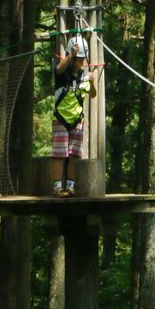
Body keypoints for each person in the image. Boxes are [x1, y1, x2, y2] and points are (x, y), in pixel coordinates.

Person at [51, 31, 96, 197]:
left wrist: (91, 83)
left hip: (77, 121)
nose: (80, 62)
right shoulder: (63, 74)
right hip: (61, 119)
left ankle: (70, 186)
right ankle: (57, 187)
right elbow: (58, 68)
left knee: (74, 155)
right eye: (78, 59)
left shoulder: (84, 75)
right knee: (59, 155)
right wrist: (71, 55)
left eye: (82, 59)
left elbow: (92, 95)